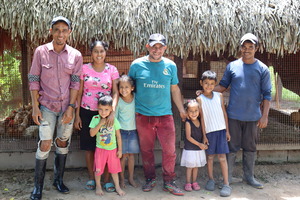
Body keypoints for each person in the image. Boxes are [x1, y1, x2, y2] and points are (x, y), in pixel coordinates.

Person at [197, 33, 271, 189]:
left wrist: (264, 116)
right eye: (244, 47)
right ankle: (227, 178)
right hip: (233, 115)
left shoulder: (262, 69)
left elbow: (267, 95)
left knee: (250, 147)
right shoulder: (232, 66)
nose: (247, 50)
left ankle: (249, 177)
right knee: (231, 147)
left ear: (256, 49)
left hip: (253, 116)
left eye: (251, 47)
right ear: (240, 48)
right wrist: (204, 91)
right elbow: (222, 86)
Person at [28, 16, 83, 200]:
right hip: (46, 107)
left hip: (66, 106)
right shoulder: (40, 52)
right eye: (57, 29)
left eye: (64, 30)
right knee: (45, 143)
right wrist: (35, 107)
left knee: (62, 142)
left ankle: (58, 180)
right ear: (51, 31)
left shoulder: (75, 55)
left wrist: (71, 108)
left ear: (69, 32)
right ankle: (38, 186)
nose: (61, 33)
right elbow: (34, 79)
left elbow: (75, 83)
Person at [128, 33, 187, 196]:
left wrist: (181, 110)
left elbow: (174, 89)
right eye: (154, 46)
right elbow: (129, 88)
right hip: (143, 115)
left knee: (170, 150)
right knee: (146, 150)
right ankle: (150, 178)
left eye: (160, 47)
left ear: (165, 48)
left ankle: (169, 181)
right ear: (148, 47)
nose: (157, 50)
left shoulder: (171, 66)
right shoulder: (137, 65)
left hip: (165, 115)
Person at [74, 40, 119, 191]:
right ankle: (92, 178)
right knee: (89, 147)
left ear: (105, 53)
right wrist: (77, 115)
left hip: (105, 113)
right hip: (87, 112)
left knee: (107, 147)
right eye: (95, 51)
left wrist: (112, 112)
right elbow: (79, 93)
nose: (99, 54)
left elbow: (115, 92)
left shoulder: (112, 70)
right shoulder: (84, 69)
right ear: (91, 53)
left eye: (101, 51)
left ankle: (106, 180)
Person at [196, 70, 232, 197]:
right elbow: (202, 118)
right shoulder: (199, 99)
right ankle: (211, 179)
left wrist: (227, 131)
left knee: (222, 157)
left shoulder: (219, 96)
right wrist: (204, 135)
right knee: (210, 157)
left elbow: (224, 113)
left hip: (221, 131)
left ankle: (226, 183)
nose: (209, 86)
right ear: (201, 83)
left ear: (215, 84)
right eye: (206, 83)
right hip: (209, 133)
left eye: (212, 83)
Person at [89, 95, 125, 196]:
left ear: (111, 110)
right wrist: (100, 123)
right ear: (97, 108)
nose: (103, 112)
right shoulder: (95, 118)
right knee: (98, 170)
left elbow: (118, 136)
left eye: (106, 109)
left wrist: (120, 150)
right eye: (100, 109)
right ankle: (98, 186)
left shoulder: (114, 120)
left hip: (112, 150)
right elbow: (92, 133)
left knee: (114, 170)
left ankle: (117, 187)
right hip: (100, 149)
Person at [115, 75, 140, 188]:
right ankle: (121, 180)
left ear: (132, 88)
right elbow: (115, 118)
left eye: (126, 87)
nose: (123, 90)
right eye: (121, 87)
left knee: (131, 156)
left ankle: (130, 177)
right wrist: (117, 133)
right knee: (122, 156)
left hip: (134, 131)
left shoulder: (136, 98)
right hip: (122, 132)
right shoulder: (118, 101)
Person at [180, 100, 207, 192]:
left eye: (196, 111)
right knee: (190, 167)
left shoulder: (200, 121)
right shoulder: (188, 123)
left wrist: (203, 143)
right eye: (191, 111)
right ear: (187, 112)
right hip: (191, 149)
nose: (194, 113)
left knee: (196, 167)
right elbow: (188, 137)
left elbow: (203, 134)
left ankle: (194, 182)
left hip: (198, 149)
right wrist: (200, 144)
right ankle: (188, 182)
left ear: (199, 111)